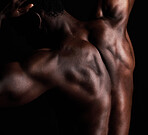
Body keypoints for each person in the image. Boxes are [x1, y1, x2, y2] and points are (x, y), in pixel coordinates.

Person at [0, 0, 135, 135]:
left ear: (36, 20)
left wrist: (1, 15)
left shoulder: (54, 63)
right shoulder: (115, 28)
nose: (26, 41)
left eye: (22, 34)